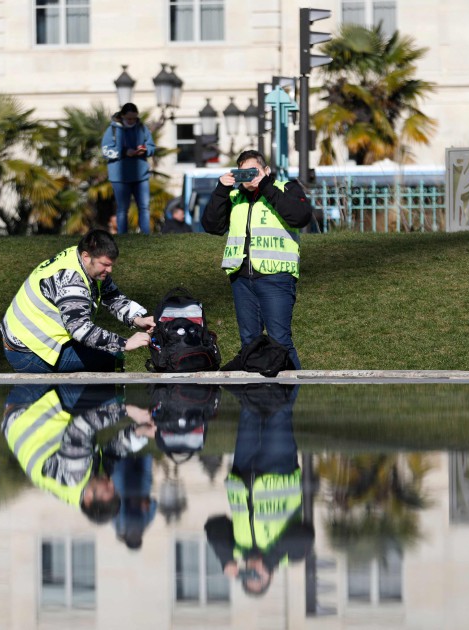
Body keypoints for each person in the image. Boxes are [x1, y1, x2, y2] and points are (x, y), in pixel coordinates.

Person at [202, 149, 313, 369]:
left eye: (254, 171)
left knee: (280, 341)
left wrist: (265, 186)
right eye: (243, 173)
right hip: (242, 278)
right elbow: (212, 226)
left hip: (276, 276)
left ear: (266, 171)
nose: (249, 177)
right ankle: (254, 399)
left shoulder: (285, 188)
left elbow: (300, 216)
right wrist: (222, 189)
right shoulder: (234, 197)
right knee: (249, 344)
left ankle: (289, 397)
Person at [204, 384, 314, 597]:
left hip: (244, 468)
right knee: (280, 412)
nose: (254, 573)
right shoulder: (288, 556)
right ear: (270, 577)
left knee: (249, 409)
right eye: (259, 579)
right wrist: (270, 560)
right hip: (279, 469)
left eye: (249, 577)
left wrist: (226, 560)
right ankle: (285, 358)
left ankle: (254, 363)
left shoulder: (238, 549)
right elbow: (305, 536)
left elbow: (213, 526)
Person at [1, 229, 154, 373]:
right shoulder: (71, 279)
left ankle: (83, 399)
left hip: (35, 342)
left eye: (111, 265)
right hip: (27, 351)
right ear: (86, 257)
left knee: (104, 355)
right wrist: (124, 343)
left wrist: (138, 319)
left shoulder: (85, 261)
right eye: (105, 265)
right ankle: (107, 402)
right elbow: (80, 329)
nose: (109, 270)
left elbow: (111, 296)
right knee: (111, 357)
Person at [2, 384, 154, 524]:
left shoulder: (73, 477)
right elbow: (113, 452)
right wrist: (141, 432)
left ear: (88, 498)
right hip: (39, 410)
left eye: (107, 490)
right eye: (114, 489)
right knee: (106, 372)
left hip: (26, 406)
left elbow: (80, 428)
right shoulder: (90, 483)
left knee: (110, 395)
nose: (111, 483)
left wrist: (126, 410)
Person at [101, 103, 156, 234]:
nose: (132, 121)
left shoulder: (142, 128)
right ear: (122, 116)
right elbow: (105, 151)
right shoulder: (113, 130)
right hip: (119, 177)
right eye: (129, 118)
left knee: (144, 207)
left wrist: (146, 150)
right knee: (122, 209)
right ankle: (123, 236)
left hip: (141, 176)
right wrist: (124, 152)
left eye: (134, 118)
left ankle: (146, 235)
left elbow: (152, 147)